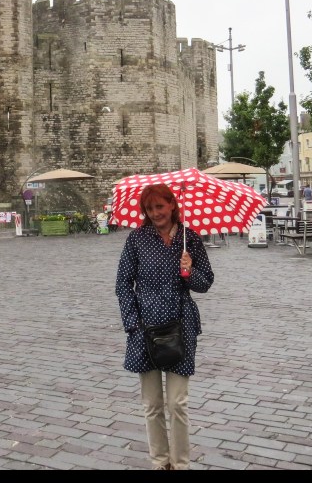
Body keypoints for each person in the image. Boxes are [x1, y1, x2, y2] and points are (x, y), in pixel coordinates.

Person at [115, 183, 214, 470]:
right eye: (149, 208)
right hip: (144, 329)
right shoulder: (137, 239)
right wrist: (132, 323)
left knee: (177, 403)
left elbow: (205, 283)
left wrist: (189, 271)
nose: (155, 213)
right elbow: (123, 284)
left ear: (172, 205)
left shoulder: (190, 239)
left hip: (180, 327)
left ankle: (180, 464)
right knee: (152, 405)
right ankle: (160, 462)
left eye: (160, 206)